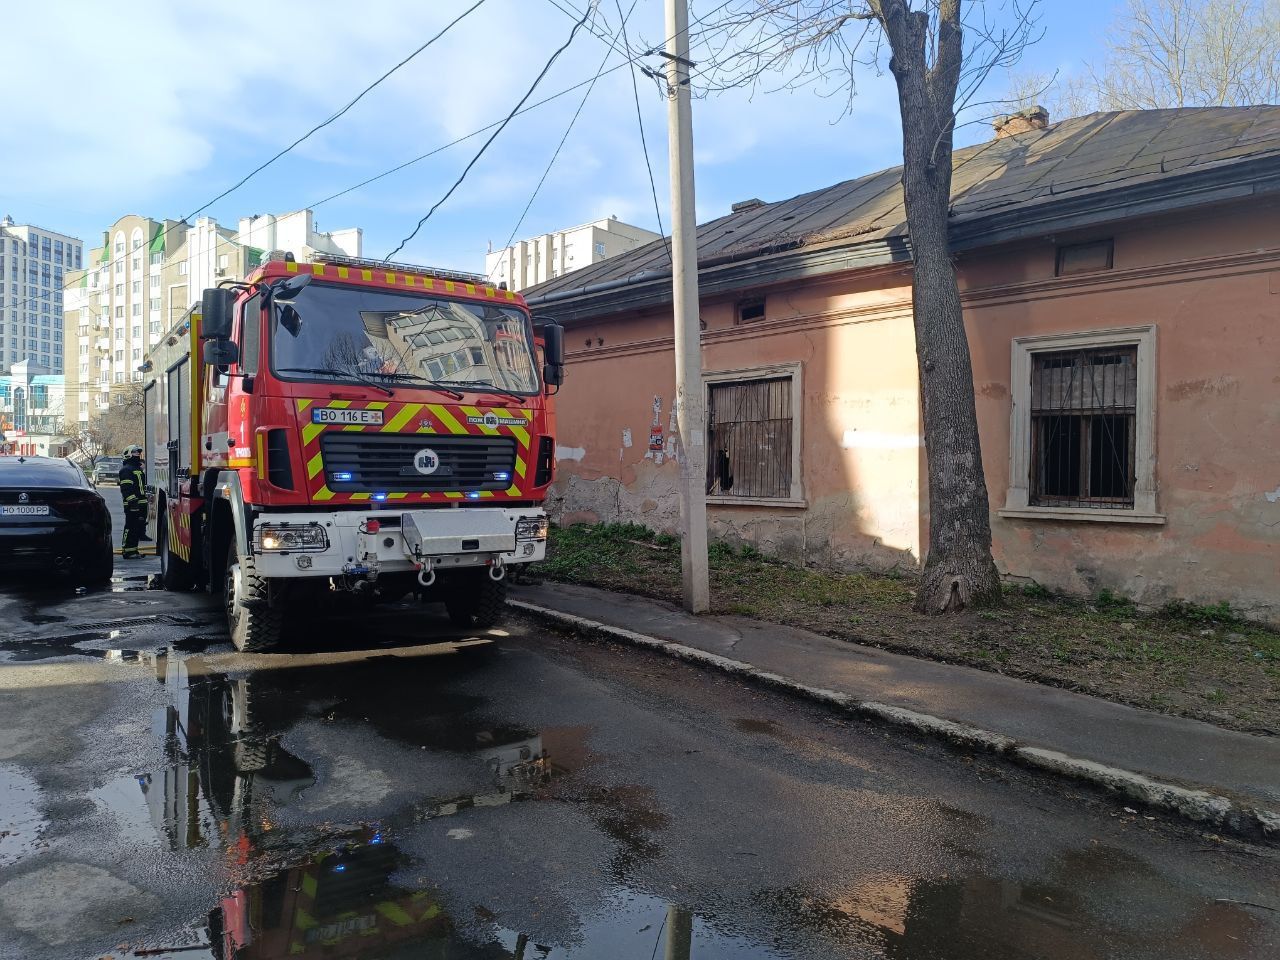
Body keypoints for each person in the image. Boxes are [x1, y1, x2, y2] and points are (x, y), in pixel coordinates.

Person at [118, 445, 148, 559]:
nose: (138, 454)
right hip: (132, 505)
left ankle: (133, 550)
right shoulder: (126, 470)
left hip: (141, 504)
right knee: (130, 527)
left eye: (138, 452)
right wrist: (132, 502)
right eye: (135, 452)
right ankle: (127, 551)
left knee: (137, 529)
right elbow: (126, 488)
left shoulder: (137, 469)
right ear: (128, 454)